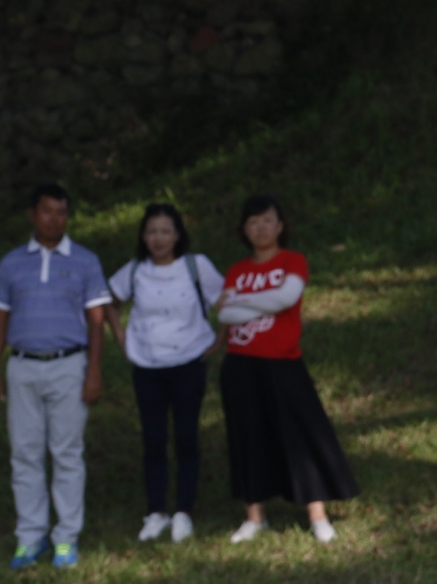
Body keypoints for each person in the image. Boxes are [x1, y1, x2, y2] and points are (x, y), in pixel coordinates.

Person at [216, 194, 357, 543]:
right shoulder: (237, 270)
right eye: (252, 222)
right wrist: (257, 304)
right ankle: (254, 517)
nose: (260, 228)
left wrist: (242, 302)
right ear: (243, 229)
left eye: (267, 220)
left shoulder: (293, 261)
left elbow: (286, 298)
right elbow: (225, 315)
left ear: (280, 226)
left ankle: (317, 515)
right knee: (248, 436)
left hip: (283, 363)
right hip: (240, 365)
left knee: (301, 435)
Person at [0, 183, 112, 570]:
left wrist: (93, 369)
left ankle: (66, 538)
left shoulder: (86, 261)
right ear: (32, 214)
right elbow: (0, 319)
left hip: (69, 365)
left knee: (67, 453)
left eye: (61, 212)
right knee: (24, 453)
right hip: (22, 365)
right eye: (47, 211)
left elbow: (96, 321)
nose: (54, 219)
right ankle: (30, 537)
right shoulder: (11, 263)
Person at [104, 204, 225, 544]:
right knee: (153, 439)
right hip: (147, 365)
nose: (158, 239)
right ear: (144, 236)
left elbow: (227, 300)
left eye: (166, 231)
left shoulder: (195, 266)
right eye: (152, 232)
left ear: (177, 235)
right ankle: (156, 512)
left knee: (186, 437)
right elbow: (107, 301)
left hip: (189, 362)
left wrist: (220, 339)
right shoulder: (135, 271)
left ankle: (184, 511)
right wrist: (122, 337)